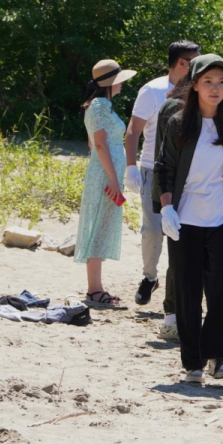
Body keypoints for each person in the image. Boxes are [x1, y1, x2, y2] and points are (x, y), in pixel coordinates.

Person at [155, 55, 223, 384]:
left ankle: (219, 355)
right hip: (186, 219)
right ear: (194, 85)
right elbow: (164, 169)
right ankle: (193, 362)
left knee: (222, 291)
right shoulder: (177, 124)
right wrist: (167, 208)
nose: (215, 88)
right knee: (188, 292)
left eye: (221, 82)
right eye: (208, 81)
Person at [123, 40, 200, 308]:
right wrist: (131, 167)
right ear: (182, 63)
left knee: (185, 232)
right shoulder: (152, 91)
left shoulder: (200, 90)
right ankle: (150, 277)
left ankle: (178, 288)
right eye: (195, 62)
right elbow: (133, 130)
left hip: (188, 173)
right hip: (153, 168)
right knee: (153, 229)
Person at [75, 59, 138, 307]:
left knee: (101, 227)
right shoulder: (100, 106)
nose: (122, 84)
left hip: (104, 173)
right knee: (98, 228)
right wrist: (112, 177)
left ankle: (96, 287)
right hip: (104, 175)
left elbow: (92, 143)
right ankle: (94, 290)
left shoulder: (102, 106)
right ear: (109, 83)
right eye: (119, 80)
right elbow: (99, 144)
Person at [148, 74, 193, 341]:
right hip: (176, 194)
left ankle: (173, 318)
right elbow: (170, 158)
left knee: (179, 259)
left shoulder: (171, 103)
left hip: (172, 192)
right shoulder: (177, 107)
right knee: (179, 260)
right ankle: (172, 319)